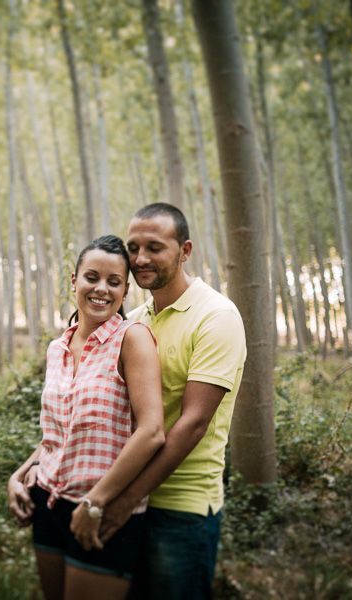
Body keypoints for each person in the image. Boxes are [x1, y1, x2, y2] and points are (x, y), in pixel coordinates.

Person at [100, 203, 247, 599]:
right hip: (127, 497)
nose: (141, 259)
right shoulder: (134, 320)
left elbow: (193, 424)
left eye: (154, 247)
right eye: (133, 247)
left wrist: (126, 499)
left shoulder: (216, 316)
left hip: (181, 506)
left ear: (185, 251)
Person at [7, 234, 165, 600]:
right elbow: (58, 434)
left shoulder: (132, 338)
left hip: (101, 512)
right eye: (91, 277)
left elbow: (152, 431)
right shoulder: (57, 347)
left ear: (125, 291)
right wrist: (17, 476)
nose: (101, 289)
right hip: (47, 505)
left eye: (114, 282)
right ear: (74, 281)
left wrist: (95, 502)